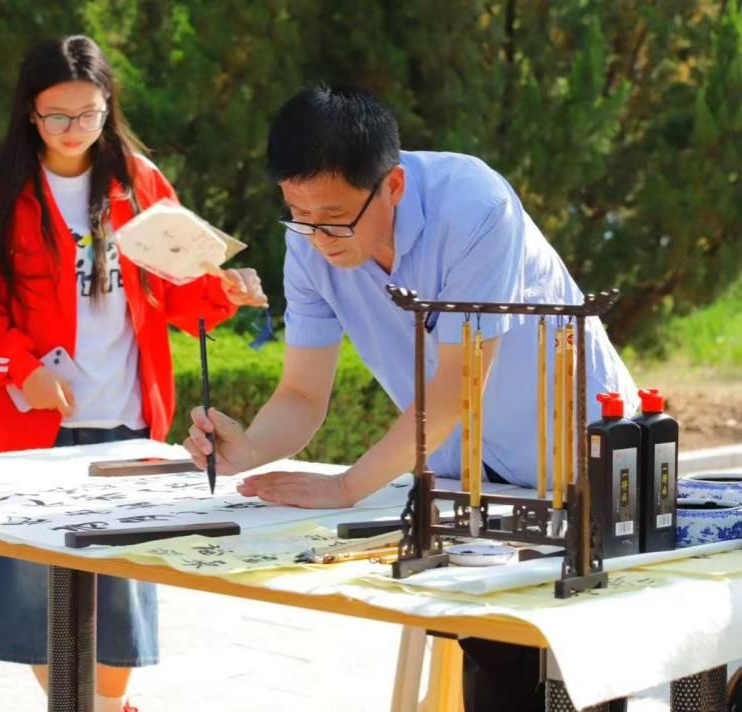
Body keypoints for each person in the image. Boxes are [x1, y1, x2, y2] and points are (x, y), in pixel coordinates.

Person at [184, 84, 638, 712]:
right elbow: (302, 393)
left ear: (392, 185)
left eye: (335, 217)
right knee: (498, 660)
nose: (319, 237)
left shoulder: (474, 206)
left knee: (580, 666)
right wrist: (251, 448)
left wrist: (348, 486)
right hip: (467, 482)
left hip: (581, 452)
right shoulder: (309, 243)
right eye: (298, 215)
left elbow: (459, 386)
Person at [0, 35, 265, 712]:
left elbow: (179, 286)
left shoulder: (140, 184)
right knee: (30, 596)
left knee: (121, 605)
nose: (74, 129)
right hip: (32, 429)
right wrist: (21, 370)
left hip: (126, 425)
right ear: (29, 112)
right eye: (56, 116)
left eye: (88, 114)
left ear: (108, 106)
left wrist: (225, 291)